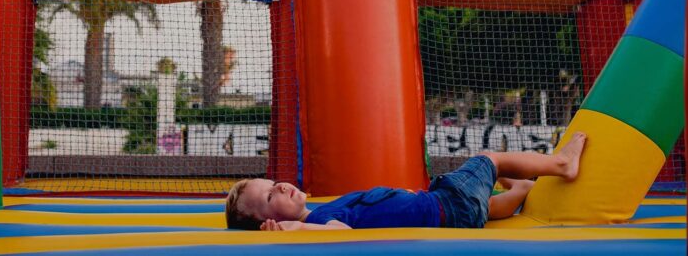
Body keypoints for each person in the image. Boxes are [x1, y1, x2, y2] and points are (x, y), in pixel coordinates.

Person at [225, 132, 587, 231]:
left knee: (485, 208)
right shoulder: (316, 221)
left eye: (274, 182)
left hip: (450, 210)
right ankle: (561, 163)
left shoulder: (320, 211)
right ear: (271, 221)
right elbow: (338, 235)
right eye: (272, 197)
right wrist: (294, 231)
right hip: (448, 204)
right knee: (487, 158)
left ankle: (522, 189)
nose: (282, 186)